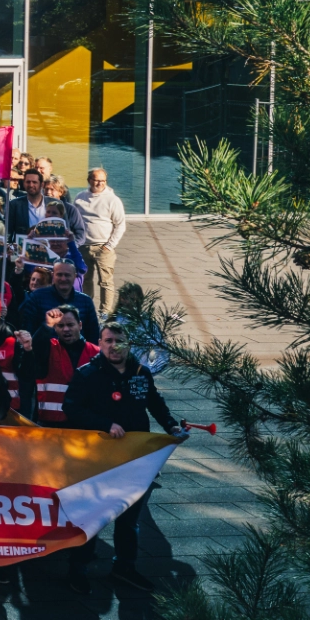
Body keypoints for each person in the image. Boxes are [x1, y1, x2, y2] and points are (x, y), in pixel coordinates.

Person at [62, 324, 189, 592]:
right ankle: (79, 568)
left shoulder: (141, 373)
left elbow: (155, 403)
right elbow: (71, 408)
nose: (114, 346)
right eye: (108, 340)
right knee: (92, 514)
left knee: (129, 517)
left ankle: (125, 567)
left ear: (129, 343)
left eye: (119, 340)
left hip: (133, 459)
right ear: (100, 342)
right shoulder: (87, 374)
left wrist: (172, 426)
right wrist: (105, 423)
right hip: (98, 459)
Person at [72, 169, 128, 319]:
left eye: (103, 181)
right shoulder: (80, 198)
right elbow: (74, 221)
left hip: (103, 248)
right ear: (89, 180)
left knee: (105, 282)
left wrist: (109, 245)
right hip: (84, 246)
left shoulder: (112, 200)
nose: (100, 183)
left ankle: (105, 312)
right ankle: (86, 309)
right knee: (85, 280)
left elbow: (120, 224)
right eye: (97, 180)